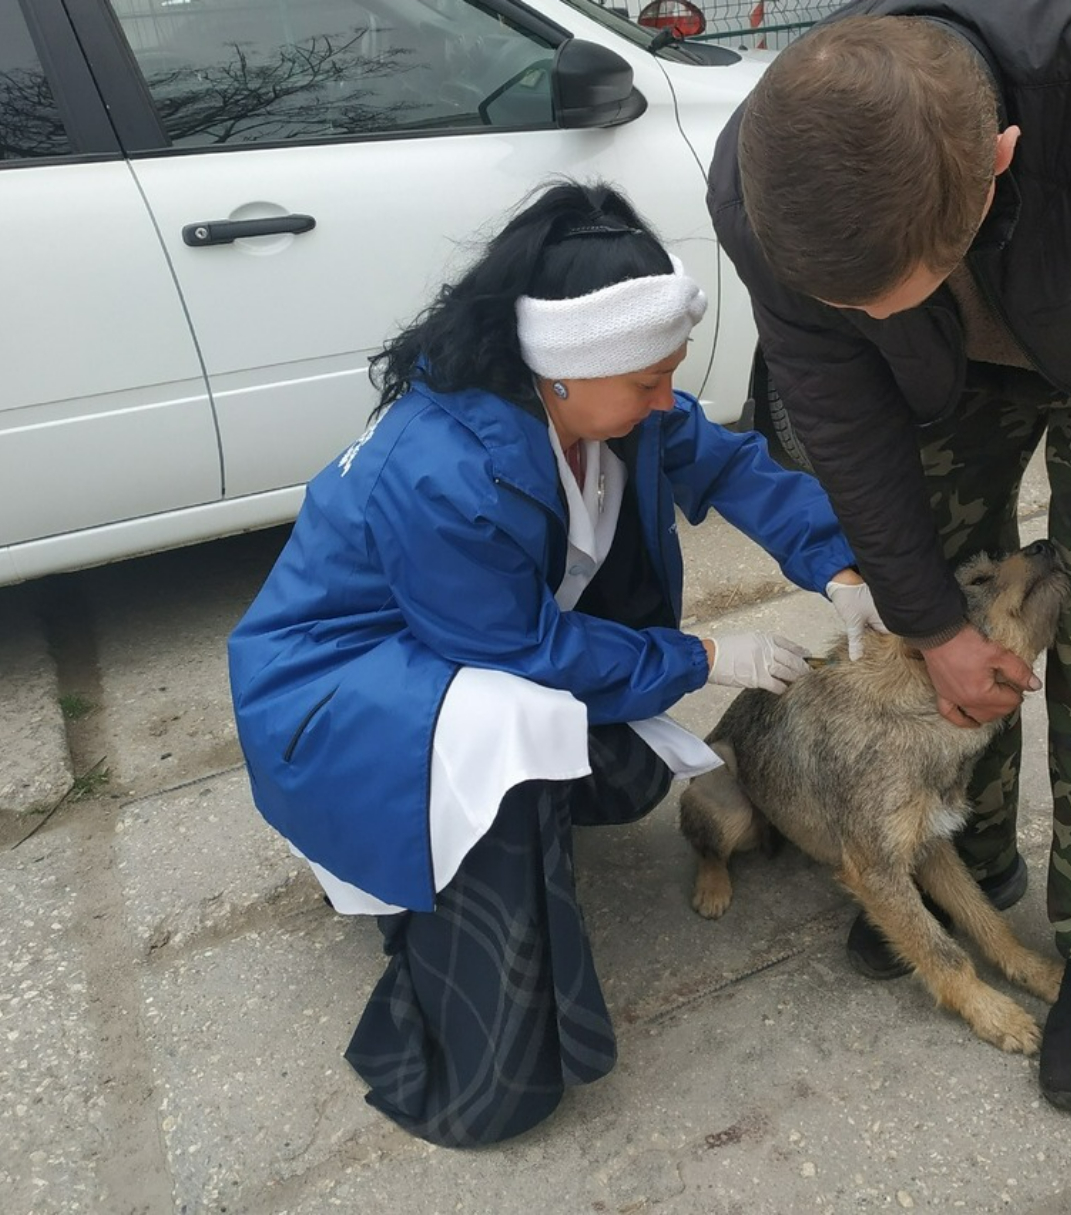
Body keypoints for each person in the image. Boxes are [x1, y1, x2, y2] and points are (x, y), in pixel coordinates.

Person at [707, 0, 1071, 1114]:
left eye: (885, 290)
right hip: (938, 373)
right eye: (847, 301)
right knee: (950, 633)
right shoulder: (765, 172)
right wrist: (927, 621)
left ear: (998, 165)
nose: (858, 313)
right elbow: (834, 400)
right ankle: (972, 864)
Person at [227, 180, 881, 1148]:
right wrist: (704, 654)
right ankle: (481, 1026)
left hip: (435, 650)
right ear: (567, 370)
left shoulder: (601, 398)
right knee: (512, 727)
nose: (669, 401)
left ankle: (507, 834)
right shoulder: (445, 472)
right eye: (649, 383)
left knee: (617, 758)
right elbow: (525, 649)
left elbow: (731, 465)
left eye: (672, 376)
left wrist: (838, 563)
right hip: (330, 695)